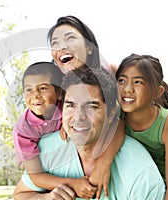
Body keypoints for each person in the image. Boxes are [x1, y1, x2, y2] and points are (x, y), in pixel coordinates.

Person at [13, 66, 166, 200]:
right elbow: (20, 195)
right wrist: (46, 198)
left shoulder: (141, 174)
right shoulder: (47, 148)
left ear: (112, 113)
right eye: (70, 105)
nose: (78, 116)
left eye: (92, 106)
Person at [46, 15, 124, 198]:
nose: (62, 47)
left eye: (70, 38)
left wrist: (104, 164)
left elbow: (122, 119)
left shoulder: (111, 71)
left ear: (89, 47)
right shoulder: (55, 86)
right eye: (55, 43)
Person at [116, 53, 168, 200]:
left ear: (156, 92)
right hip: (151, 186)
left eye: (138, 82)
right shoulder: (116, 116)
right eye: (121, 80)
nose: (127, 89)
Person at [13, 61, 96, 199]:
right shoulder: (23, 131)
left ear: (59, 93)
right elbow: (36, 176)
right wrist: (72, 183)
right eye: (29, 89)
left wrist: (68, 121)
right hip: (44, 173)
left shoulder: (69, 108)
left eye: (43, 88)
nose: (35, 95)